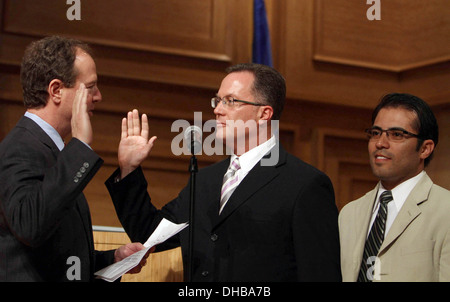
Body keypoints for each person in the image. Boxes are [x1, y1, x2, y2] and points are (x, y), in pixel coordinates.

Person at [106, 63, 341, 281]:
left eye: (230, 101)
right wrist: (129, 168)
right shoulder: (205, 180)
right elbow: (150, 233)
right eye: (217, 100)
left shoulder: (304, 184)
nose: (217, 110)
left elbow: (320, 274)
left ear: (264, 114)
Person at [0, 36, 147, 282]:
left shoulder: (54, 151)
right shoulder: (20, 148)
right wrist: (79, 145)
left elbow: (55, 255)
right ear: (56, 90)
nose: (98, 96)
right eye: (90, 88)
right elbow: (31, 226)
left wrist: (112, 260)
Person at [339, 93, 450, 282]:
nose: (380, 143)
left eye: (397, 135)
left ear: (425, 148)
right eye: (375, 133)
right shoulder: (349, 214)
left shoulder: (445, 210)